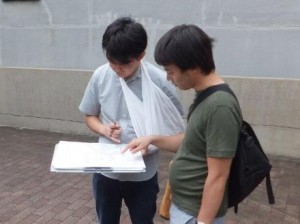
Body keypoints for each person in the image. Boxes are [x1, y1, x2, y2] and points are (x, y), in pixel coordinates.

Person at [124, 24, 242, 224]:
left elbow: (219, 176)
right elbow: (190, 141)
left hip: (196, 214)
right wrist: (152, 139)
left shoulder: (219, 106)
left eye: (170, 71)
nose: (169, 78)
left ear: (192, 66)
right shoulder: (205, 96)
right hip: (186, 208)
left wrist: (202, 222)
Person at [79, 17, 184, 224]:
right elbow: (89, 116)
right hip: (106, 173)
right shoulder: (101, 76)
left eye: (124, 64)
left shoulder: (160, 82)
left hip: (142, 175)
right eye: (112, 62)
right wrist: (103, 129)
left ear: (141, 55)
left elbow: (178, 133)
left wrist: (151, 142)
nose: (117, 69)